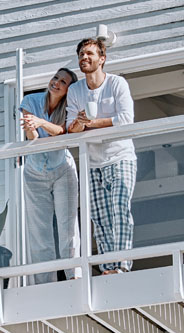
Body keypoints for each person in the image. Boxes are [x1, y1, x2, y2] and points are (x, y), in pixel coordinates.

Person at [67, 38, 136, 274]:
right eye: (81, 55)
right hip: (92, 161)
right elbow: (70, 128)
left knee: (119, 209)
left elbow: (126, 119)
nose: (84, 58)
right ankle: (108, 267)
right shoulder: (75, 90)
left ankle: (122, 265)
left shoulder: (117, 84)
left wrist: (92, 123)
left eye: (89, 54)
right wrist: (79, 123)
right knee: (99, 217)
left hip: (120, 156)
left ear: (102, 58)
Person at [19, 68, 81, 283]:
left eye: (62, 82)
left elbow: (64, 131)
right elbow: (33, 136)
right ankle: (45, 283)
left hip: (62, 168)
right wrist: (32, 127)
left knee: (68, 227)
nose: (56, 83)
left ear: (68, 90)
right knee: (39, 230)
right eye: (56, 78)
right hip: (35, 172)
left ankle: (75, 276)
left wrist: (42, 123)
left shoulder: (70, 106)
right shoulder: (30, 100)